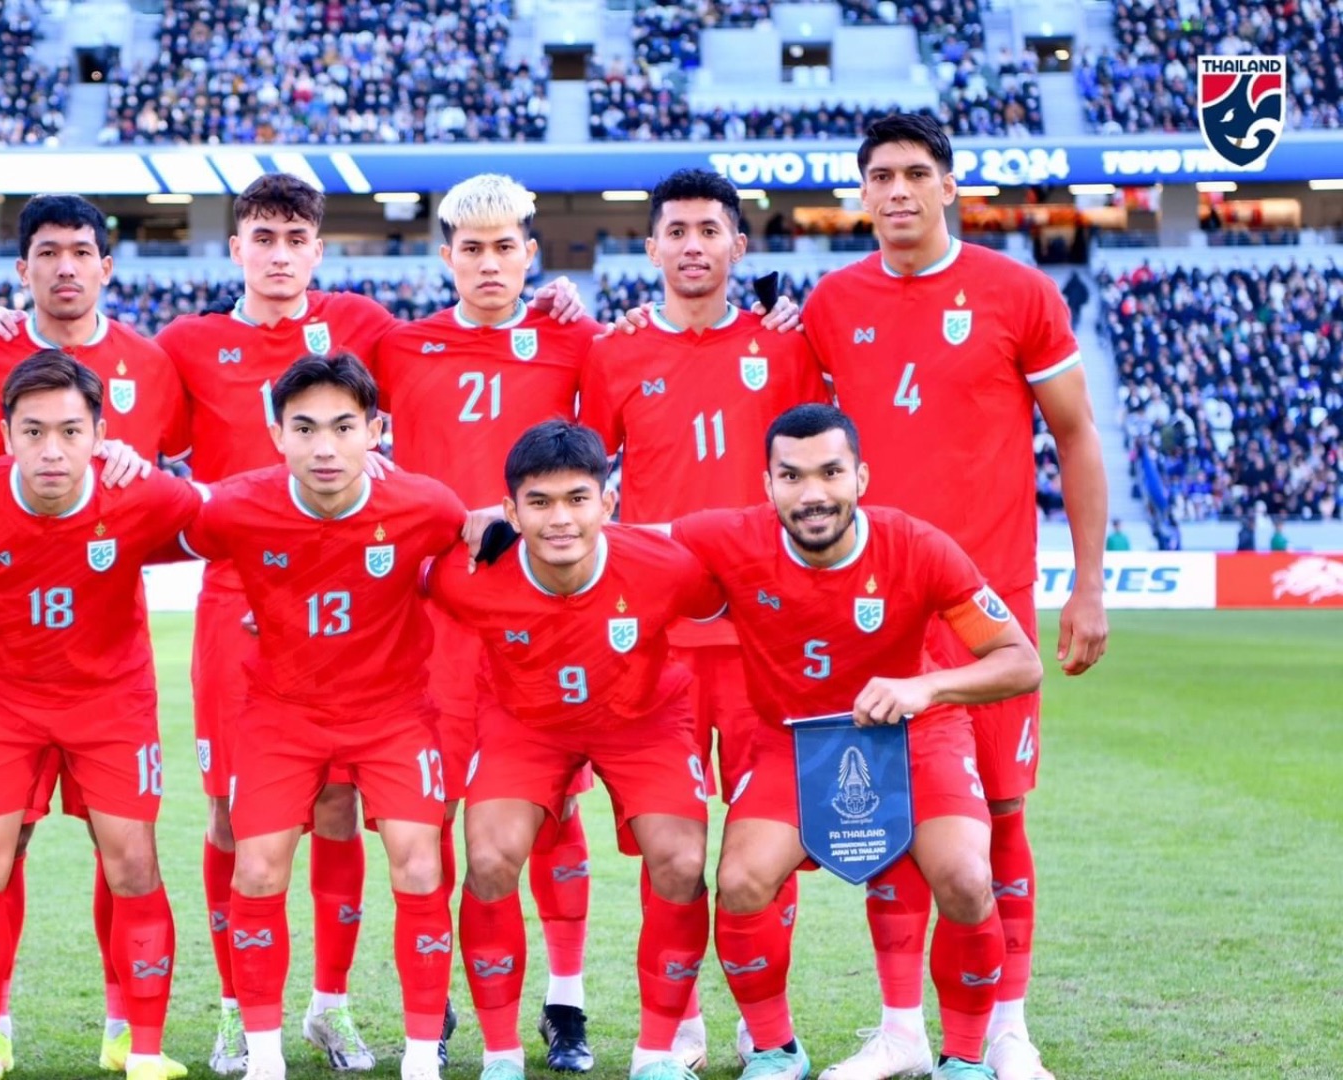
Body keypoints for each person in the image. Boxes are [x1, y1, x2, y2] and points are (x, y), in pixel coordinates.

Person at [0, 171, 588, 1073]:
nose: (280, 255)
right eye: (263, 238)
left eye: (296, 238)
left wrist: (554, 299)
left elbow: (470, 339)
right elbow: (108, 419)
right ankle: (235, 1011)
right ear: (236, 249)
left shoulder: (367, 328)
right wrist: (12, 327)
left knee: (339, 805)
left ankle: (329, 1007)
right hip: (238, 600)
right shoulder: (183, 346)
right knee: (232, 816)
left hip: (353, 600)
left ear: (319, 250)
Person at [802, 113, 1108, 1080]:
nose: (897, 190)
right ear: (862, 194)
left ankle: (1008, 1027)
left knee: (1003, 815)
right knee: (890, 819)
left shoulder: (1018, 292)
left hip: (990, 609)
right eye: (880, 176)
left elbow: (1077, 436)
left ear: (949, 186)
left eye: (915, 173)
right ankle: (899, 1032)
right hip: (876, 610)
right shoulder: (829, 304)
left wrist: (1088, 585)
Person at [663, 403, 1043, 1080]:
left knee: (965, 878)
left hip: (916, 734)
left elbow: (1020, 662)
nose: (812, 493)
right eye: (792, 476)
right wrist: (500, 517)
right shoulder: (731, 536)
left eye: (830, 472)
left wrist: (927, 688)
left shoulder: (916, 546)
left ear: (861, 477)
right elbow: (616, 537)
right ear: (768, 484)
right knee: (742, 881)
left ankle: (962, 1059)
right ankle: (774, 1050)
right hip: (796, 741)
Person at [578, 167, 828, 1071]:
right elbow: (583, 482)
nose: (692, 246)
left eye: (709, 230)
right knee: (670, 848)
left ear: (738, 245)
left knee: (770, 847)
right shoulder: (612, 352)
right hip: (659, 644)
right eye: (676, 231)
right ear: (650, 247)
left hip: (768, 638)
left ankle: (768, 1025)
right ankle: (676, 1022)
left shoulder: (786, 345)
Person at [0, 193, 192, 1076]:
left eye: (81, 251)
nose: (65, 267)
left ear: (106, 265)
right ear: (22, 269)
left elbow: (195, 493)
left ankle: (130, 1028)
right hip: (3, 663)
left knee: (126, 852)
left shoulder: (152, 362)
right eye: (47, 252)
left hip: (107, 663)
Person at [373, 173, 605, 1072]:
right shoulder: (398, 345)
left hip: (543, 618)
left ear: (531, 253)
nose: (489, 263)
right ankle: (431, 1009)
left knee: (553, 812)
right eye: (471, 248)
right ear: (446, 257)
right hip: (430, 622)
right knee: (425, 817)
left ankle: (566, 1002)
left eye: (506, 246)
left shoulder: (574, 339)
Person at [178, 353, 464, 1080]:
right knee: (255, 863)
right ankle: (260, 1051)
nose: (325, 447)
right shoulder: (235, 506)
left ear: (375, 431)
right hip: (281, 710)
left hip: (391, 713)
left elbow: (476, 547)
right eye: (304, 429)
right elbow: (145, 527)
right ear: (277, 435)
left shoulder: (427, 506)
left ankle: (418, 1058)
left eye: (343, 427)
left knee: (420, 861)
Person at [428, 420, 723, 1080]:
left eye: (577, 499)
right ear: (510, 512)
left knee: (681, 862)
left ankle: (656, 1054)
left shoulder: (665, 566)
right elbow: (380, 578)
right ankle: (501, 1056)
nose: (560, 519)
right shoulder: (469, 576)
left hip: (643, 720)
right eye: (539, 502)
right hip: (525, 723)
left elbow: (738, 599)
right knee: (490, 858)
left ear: (607, 502)